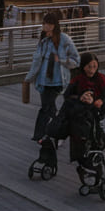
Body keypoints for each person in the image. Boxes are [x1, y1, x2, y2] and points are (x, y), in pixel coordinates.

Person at [25, 11, 79, 142]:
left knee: (46, 108)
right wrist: (29, 78)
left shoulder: (64, 39)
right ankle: (59, 132)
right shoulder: (43, 41)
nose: (47, 26)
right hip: (43, 80)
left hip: (57, 80)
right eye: (45, 23)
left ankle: (39, 135)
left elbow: (75, 60)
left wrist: (60, 59)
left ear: (55, 25)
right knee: (50, 108)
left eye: (50, 24)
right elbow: (36, 62)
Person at [64, 52, 105, 171]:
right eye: (89, 66)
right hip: (79, 117)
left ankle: (93, 166)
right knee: (81, 143)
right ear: (83, 66)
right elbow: (67, 96)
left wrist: (101, 102)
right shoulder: (77, 79)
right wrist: (81, 98)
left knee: (98, 141)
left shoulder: (102, 79)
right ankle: (83, 165)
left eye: (94, 66)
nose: (92, 70)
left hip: (95, 116)